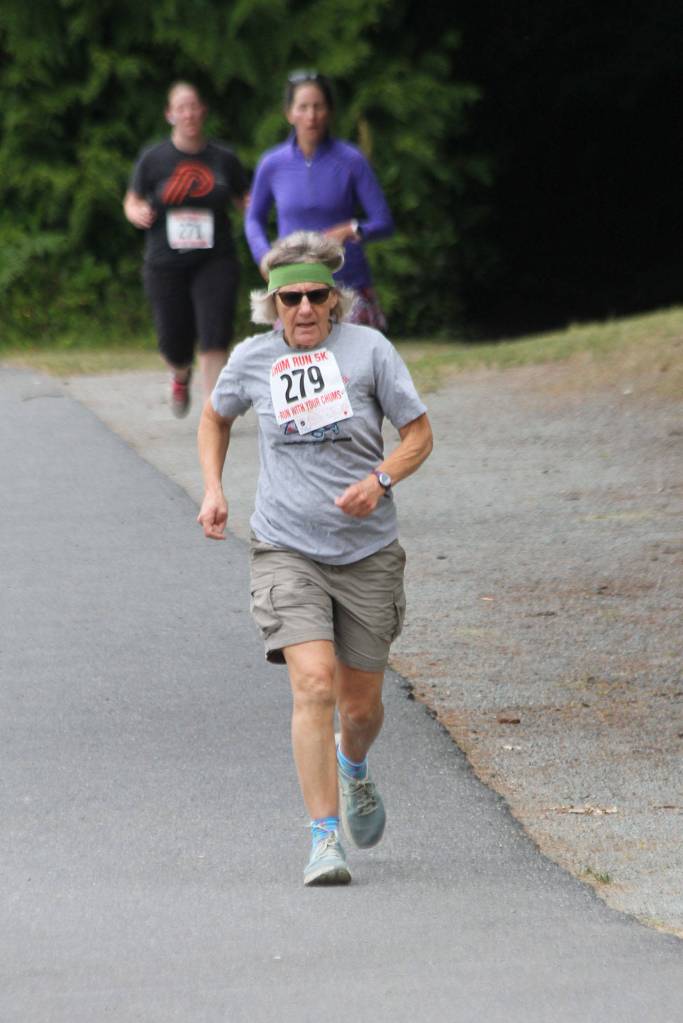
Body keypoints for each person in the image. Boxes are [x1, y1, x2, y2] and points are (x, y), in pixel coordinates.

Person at [197, 231, 432, 886]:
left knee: (358, 709)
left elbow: (418, 433)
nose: (303, 309)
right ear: (271, 304)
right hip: (284, 547)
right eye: (289, 298)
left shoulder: (369, 352)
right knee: (313, 684)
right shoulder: (251, 360)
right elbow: (214, 417)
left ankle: (352, 766)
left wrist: (379, 479)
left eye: (315, 296)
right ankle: (323, 838)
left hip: (366, 552)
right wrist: (213, 487)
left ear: (335, 299)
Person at [123, 81, 249, 416]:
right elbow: (132, 199)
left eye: (193, 106)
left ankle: (213, 412)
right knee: (173, 341)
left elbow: (246, 200)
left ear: (202, 111)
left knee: (214, 333)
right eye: (181, 107)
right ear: (170, 115)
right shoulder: (154, 159)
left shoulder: (224, 158)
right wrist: (136, 212)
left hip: (215, 258)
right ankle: (180, 373)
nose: (189, 113)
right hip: (165, 263)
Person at [244, 70, 394, 331]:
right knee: (298, 368)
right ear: (289, 113)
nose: (311, 116)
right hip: (293, 284)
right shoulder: (272, 164)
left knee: (354, 370)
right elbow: (254, 219)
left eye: (318, 107)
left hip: (346, 286)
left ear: (330, 112)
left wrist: (350, 230)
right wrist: (263, 256)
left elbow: (383, 221)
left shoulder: (351, 160)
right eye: (303, 107)